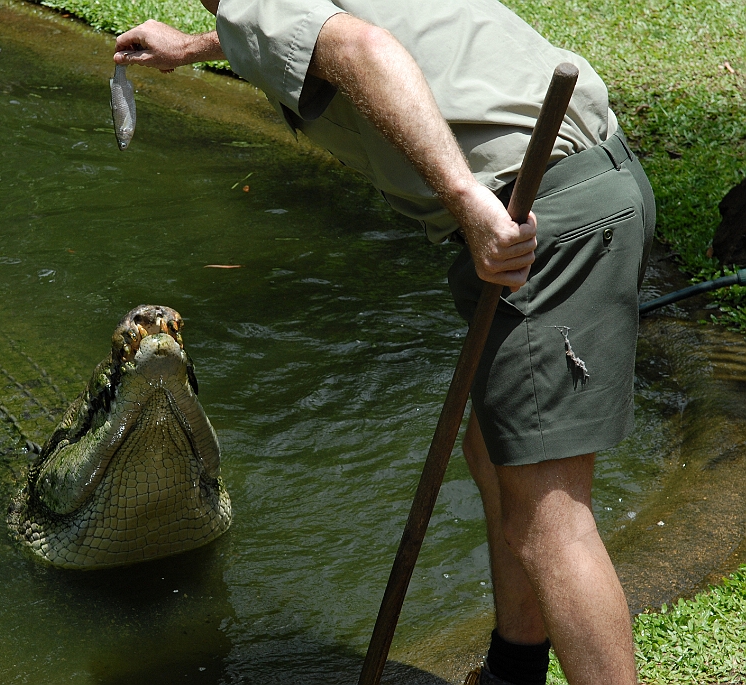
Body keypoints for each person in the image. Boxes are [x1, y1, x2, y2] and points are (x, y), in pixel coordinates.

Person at [113, 1, 655, 683]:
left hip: (534, 218)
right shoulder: (268, 11)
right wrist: (195, 48)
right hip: (600, 181)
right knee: (492, 455)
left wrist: (464, 199)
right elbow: (313, 35)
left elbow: (361, 50)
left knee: (551, 521)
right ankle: (512, 671)